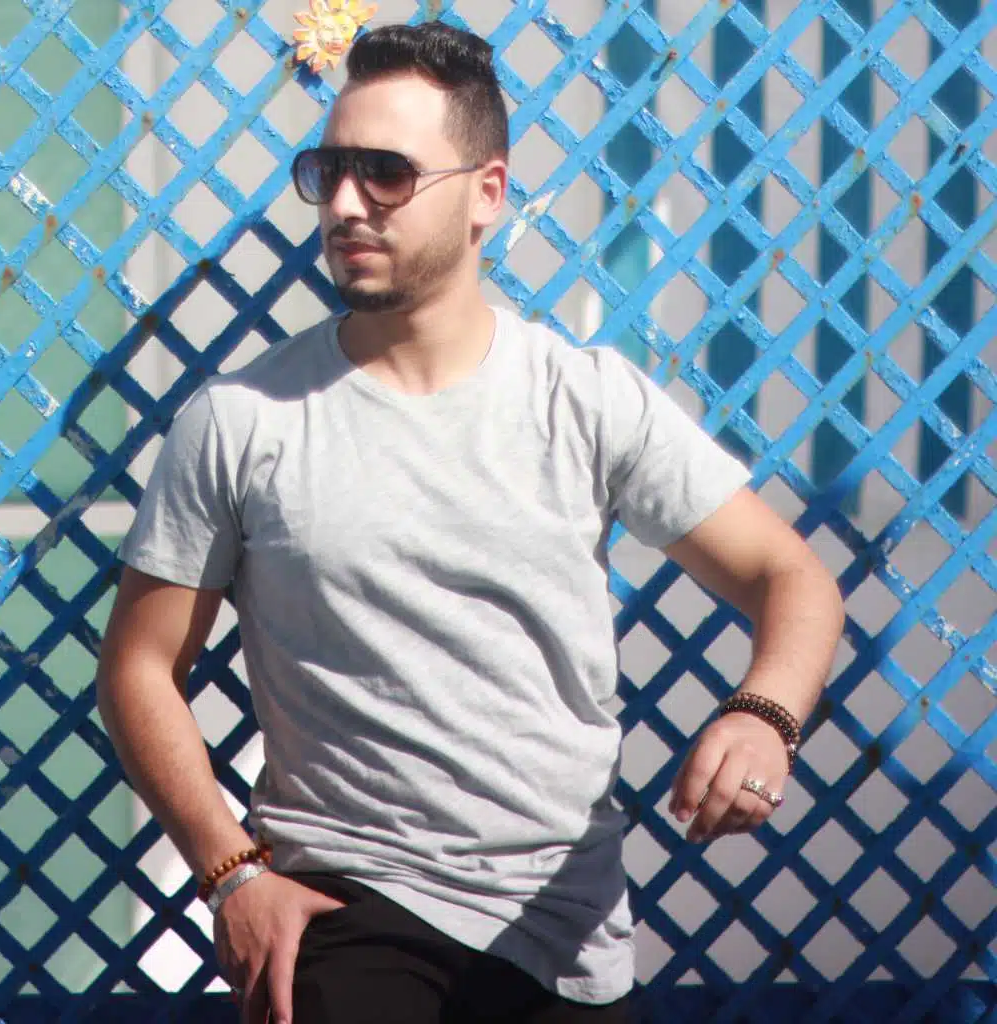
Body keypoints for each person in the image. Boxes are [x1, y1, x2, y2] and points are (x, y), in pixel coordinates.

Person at [96, 20, 844, 1024]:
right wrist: (231, 871)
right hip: (346, 909)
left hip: (565, 926)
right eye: (329, 170)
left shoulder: (584, 400)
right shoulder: (242, 421)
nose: (346, 203)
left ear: (487, 192)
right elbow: (139, 666)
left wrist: (764, 715)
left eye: (387, 172)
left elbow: (789, 577)